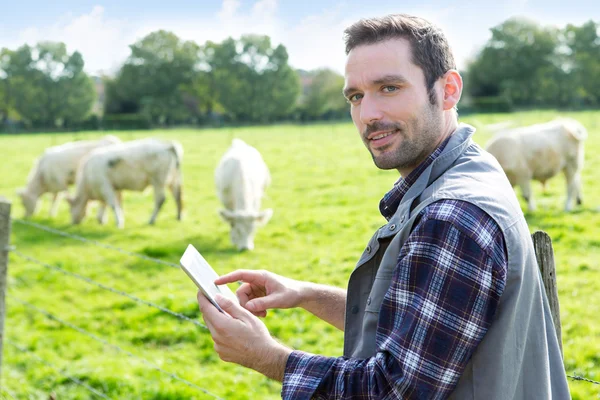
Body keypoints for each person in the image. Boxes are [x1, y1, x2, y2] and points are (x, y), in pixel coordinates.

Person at [197, 14, 570, 399]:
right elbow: (426, 328)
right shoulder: (473, 165)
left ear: (448, 90)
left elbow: (392, 391)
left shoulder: (452, 215)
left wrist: (268, 357)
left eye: (389, 88)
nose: (368, 115)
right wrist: (306, 294)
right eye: (356, 96)